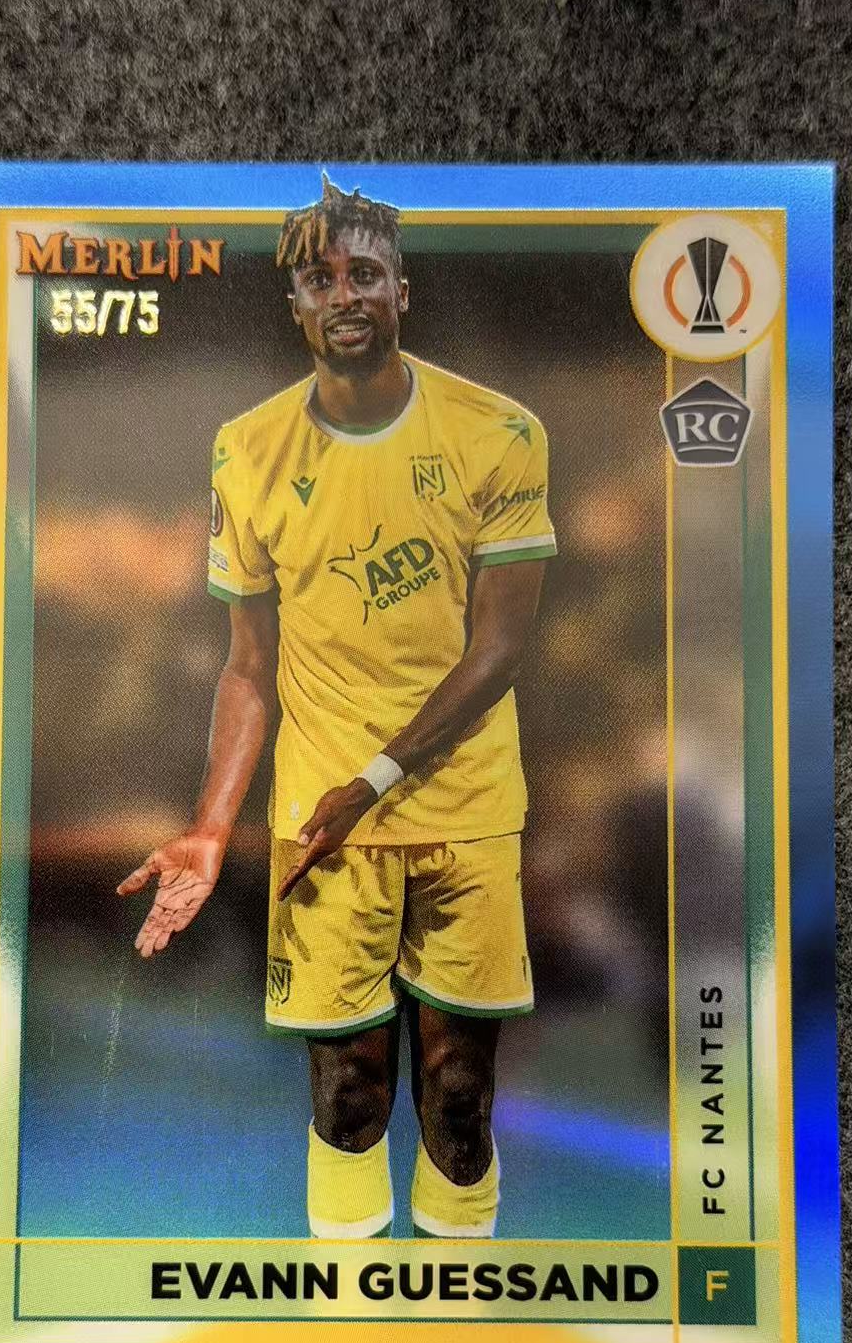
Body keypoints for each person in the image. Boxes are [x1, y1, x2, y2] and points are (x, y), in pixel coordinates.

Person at [117, 177, 556, 1240]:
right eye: (321, 277)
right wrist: (211, 825)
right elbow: (247, 667)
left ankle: (459, 1306)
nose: (344, 292)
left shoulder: (499, 432)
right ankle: (350, 1314)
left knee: (458, 1096)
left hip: (462, 811)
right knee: (349, 1097)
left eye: (365, 273)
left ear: (402, 291)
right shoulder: (247, 448)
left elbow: (500, 647)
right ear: (297, 306)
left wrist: (374, 780)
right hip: (321, 829)